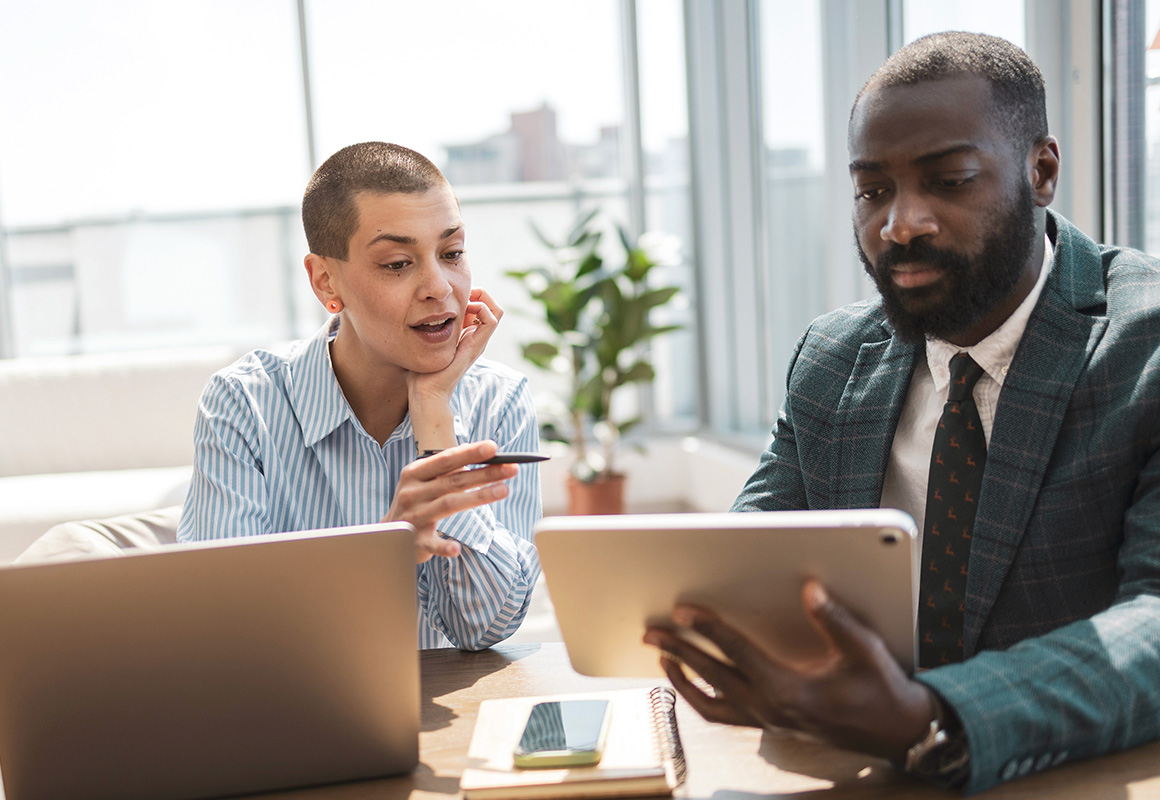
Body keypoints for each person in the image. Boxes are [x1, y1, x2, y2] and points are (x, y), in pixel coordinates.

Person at [645, 31, 1160, 794]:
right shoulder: (831, 358)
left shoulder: (1143, 344)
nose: (900, 223)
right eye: (872, 190)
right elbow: (750, 565)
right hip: (845, 772)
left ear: (1042, 170)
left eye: (948, 180)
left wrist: (931, 712)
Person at [178, 142, 542, 651]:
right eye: (397, 263)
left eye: (452, 253)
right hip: (296, 715)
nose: (441, 287)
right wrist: (381, 556)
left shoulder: (500, 401)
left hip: (444, 723)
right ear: (326, 280)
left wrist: (436, 416)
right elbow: (221, 625)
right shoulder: (243, 405)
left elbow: (486, 630)